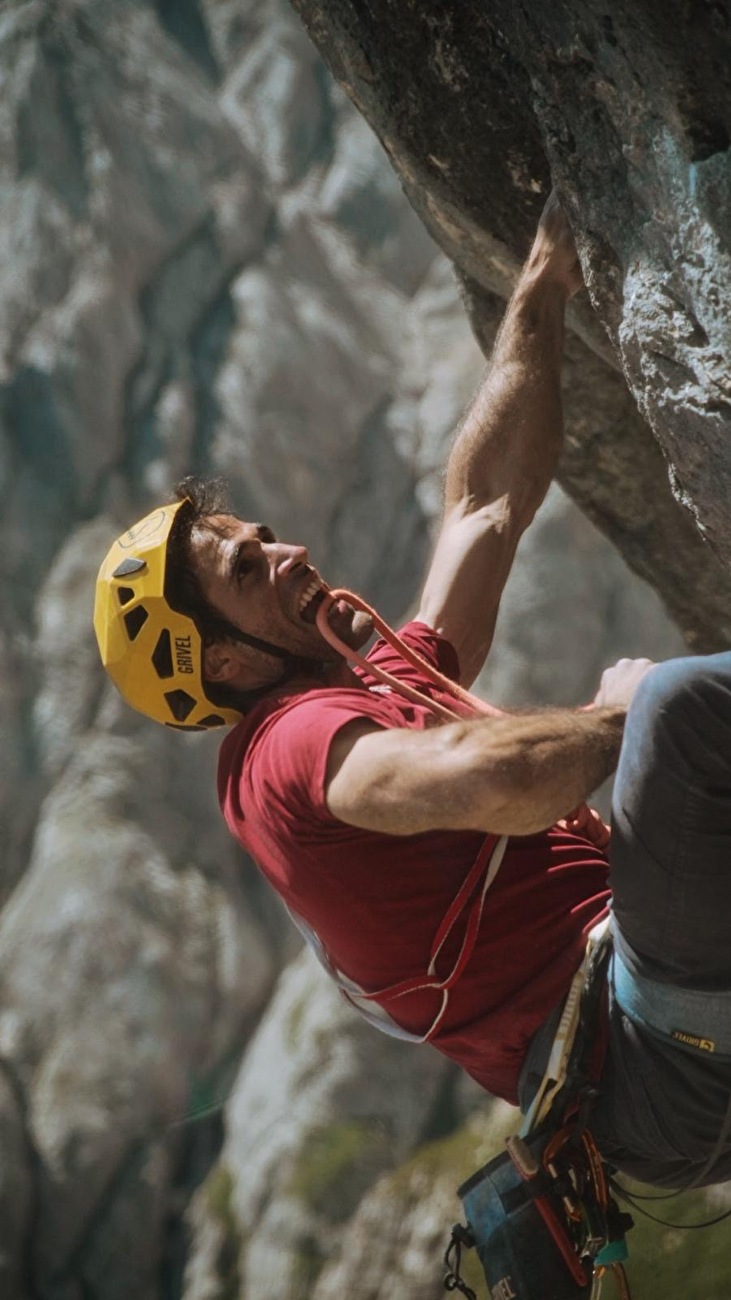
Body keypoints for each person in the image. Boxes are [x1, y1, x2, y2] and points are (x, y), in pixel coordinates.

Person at [95, 195, 731, 1191]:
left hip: (656, 1060)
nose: (288, 552)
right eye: (250, 571)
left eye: (259, 538)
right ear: (218, 661)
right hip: (645, 1052)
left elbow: (482, 507)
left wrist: (540, 290)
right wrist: (623, 710)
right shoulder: (286, 756)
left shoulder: (351, 695)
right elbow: (486, 782)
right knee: (681, 715)